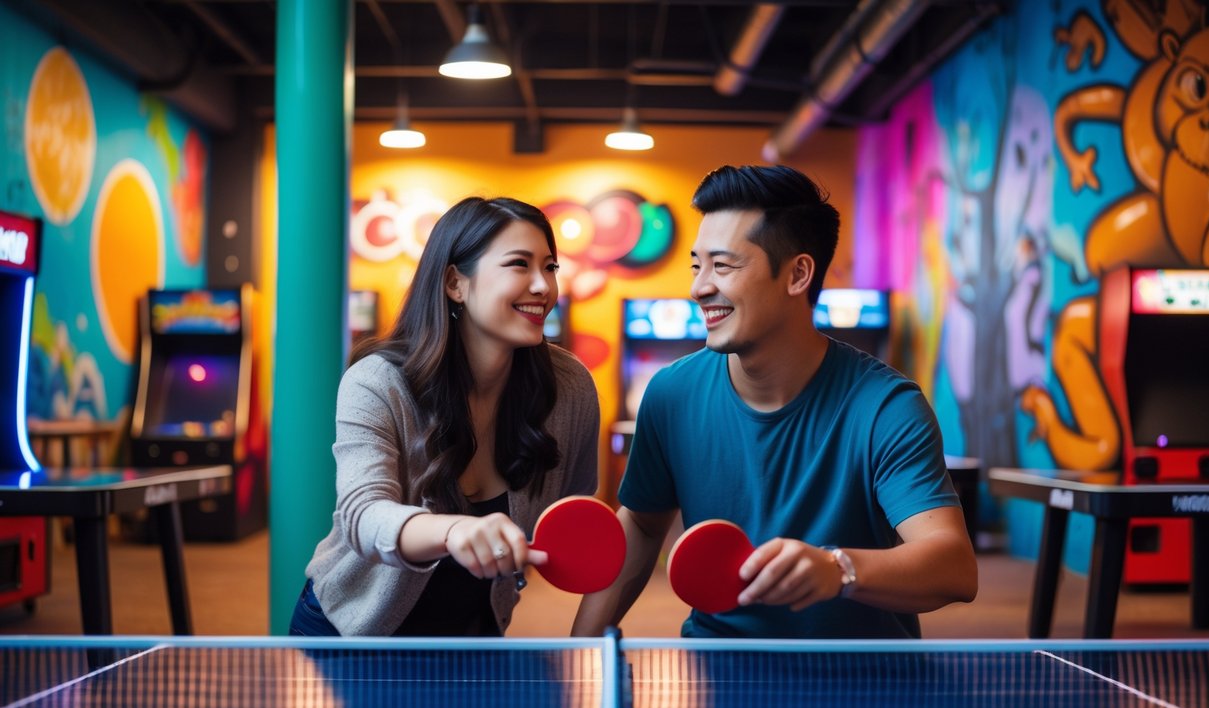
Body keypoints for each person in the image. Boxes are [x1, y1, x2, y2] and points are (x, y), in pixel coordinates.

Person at [572, 165, 977, 639]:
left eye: (722, 266)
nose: (699, 287)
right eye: (696, 265)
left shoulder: (887, 407)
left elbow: (954, 567)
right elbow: (641, 525)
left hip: (862, 678)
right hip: (719, 666)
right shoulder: (670, 395)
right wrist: (577, 650)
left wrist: (837, 570)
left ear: (798, 274)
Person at [291, 196, 600, 637]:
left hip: (472, 629)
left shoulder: (571, 388)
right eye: (519, 264)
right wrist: (452, 530)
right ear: (456, 283)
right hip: (350, 629)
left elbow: (572, 509)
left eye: (550, 267)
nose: (543, 287)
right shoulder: (376, 381)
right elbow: (363, 515)